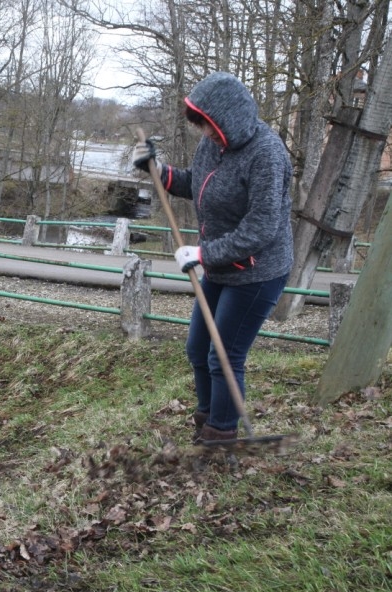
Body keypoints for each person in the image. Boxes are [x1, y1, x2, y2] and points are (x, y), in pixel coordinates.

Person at [133, 72, 293, 443]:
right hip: (220, 266)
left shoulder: (266, 155)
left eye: (207, 123)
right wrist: (158, 171)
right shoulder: (214, 145)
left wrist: (203, 253)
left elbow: (260, 229)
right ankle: (207, 417)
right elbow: (197, 182)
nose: (202, 131)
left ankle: (221, 434)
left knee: (225, 356)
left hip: (257, 272)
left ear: (228, 118)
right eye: (199, 122)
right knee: (198, 349)